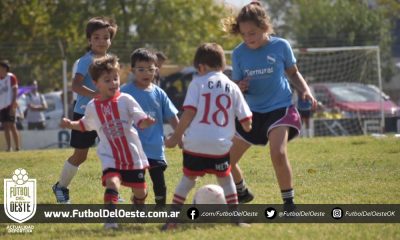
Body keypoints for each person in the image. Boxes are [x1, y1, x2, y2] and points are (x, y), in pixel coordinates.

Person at [224, 2, 317, 207]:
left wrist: (305, 90)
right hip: (251, 113)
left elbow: (293, 73)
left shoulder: (281, 46)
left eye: (253, 33)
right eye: (244, 34)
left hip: (279, 108)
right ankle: (242, 191)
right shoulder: (239, 53)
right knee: (224, 161)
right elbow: (237, 86)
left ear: (265, 26)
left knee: (278, 153)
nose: (249, 39)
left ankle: (289, 203)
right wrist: (241, 86)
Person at [162, 43, 253, 230]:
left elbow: (188, 113)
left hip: (195, 143)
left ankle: (171, 221)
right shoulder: (232, 87)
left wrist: (175, 137)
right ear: (222, 65)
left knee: (187, 181)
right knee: (226, 181)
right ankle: (236, 220)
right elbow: (247, 122)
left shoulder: (198, 82)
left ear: (201, 67)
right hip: (219, 146)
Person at [60, 55, 155, 229]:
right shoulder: (92, 106)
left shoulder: (126, 100)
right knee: (112, 182)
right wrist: (70, 124)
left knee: (140, 190)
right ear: (96, 83)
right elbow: (85, 125)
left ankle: (138, 202)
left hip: (133, 156)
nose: (113, 83)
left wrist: (146, 121)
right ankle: (110, 220)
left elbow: (139, 117)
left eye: (115, 78)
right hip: (110, 155)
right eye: (107, 80)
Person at [52, 16, 118, 203]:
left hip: (108, 113)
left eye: (105, 37)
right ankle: (60, 187)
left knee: (114, 152)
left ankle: (113, 192)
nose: (101, 41)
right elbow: (76, 86)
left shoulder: (111, 61)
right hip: (86, 113)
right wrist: (97, 95)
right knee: (80, 155)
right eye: (96, 37)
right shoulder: (85, 61)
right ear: (89, 40)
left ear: (110, 40)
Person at [121, 48, 179, 208]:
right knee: (139, 183)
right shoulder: (124, 92)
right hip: (134, 149)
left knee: (159, 182)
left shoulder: (159, 93)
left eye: (150, 69)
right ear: (133, 70)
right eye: (141, 69)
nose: (146, 73)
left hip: (155, 147)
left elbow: (172, 116)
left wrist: (180, 137)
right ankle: (139, 203)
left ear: (156, 70)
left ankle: (161, 208)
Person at [0, 60, 20, 151]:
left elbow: (15, 90)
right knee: (5, 125)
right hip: (2, 106)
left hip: (10, 104)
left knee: (12, 125)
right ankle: (9, 147)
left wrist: (14, 103)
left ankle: (17, 147)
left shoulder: (11, 77)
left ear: (5, 68)